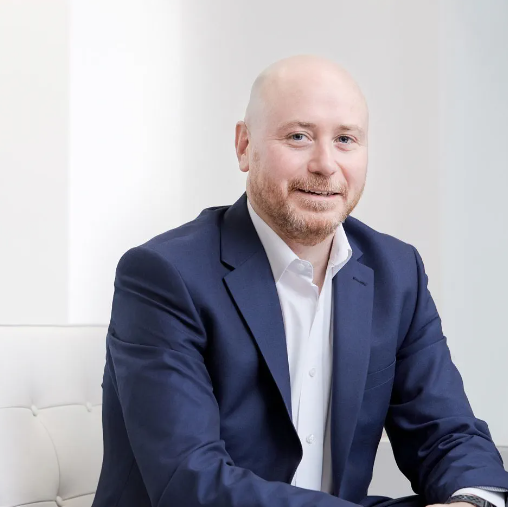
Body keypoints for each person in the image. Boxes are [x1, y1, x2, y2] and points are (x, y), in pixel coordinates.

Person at [91, 55, 508, 507]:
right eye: (298, 136)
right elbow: (192, 484)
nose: (326, 165)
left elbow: (446, 433)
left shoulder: (396, 271)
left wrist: (472, 503)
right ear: (244, 146)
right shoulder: (163, 275)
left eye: (346, 139)